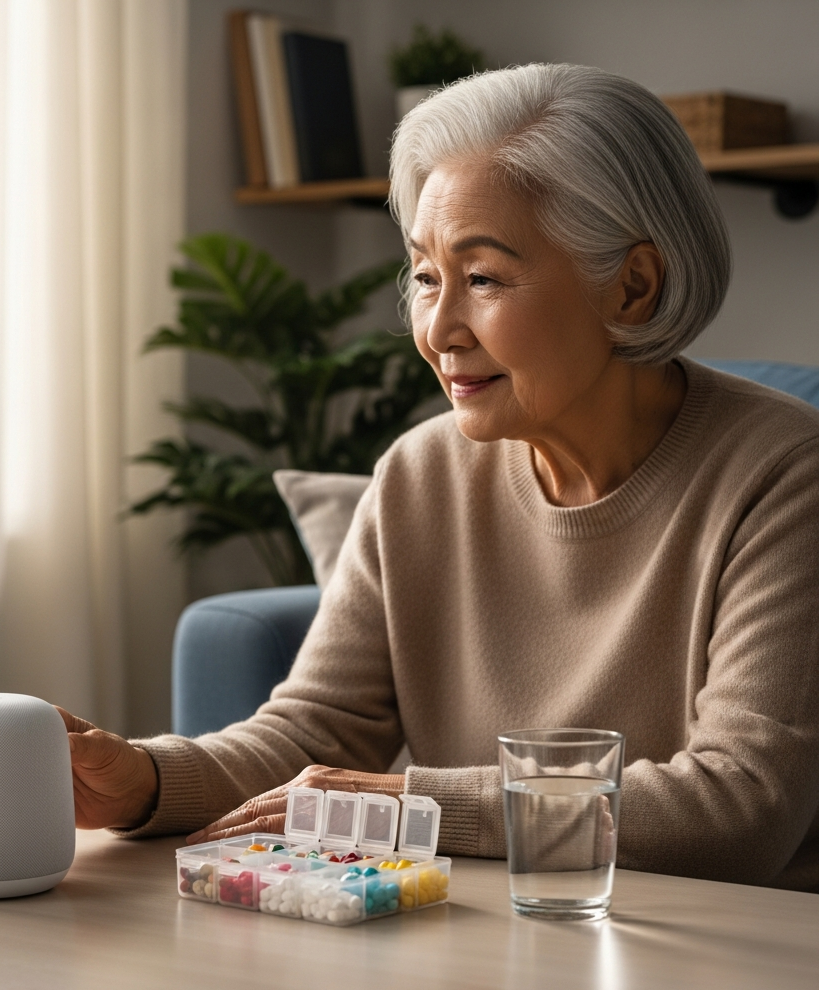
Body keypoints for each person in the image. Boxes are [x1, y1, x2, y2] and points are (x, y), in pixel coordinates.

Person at [57, 64, 819, 890]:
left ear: (633, 287)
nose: (439, 329)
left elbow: (740, 807)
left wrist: (404, 808)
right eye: (425, 276)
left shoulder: (783, 474)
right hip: (482, 938)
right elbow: (319, 730)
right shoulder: (420, 474)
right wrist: (146, 778)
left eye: (483, 277)